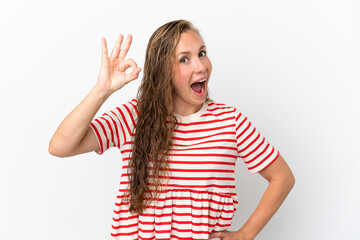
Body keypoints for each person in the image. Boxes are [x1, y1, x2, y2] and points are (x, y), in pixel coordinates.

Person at [49, 19, 295, 240]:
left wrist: (245, 234)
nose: (201, 67)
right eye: (184, 59)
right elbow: (60, 146)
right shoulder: (134, 116)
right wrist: (101, 90)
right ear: (162, 70)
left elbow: (282, 177)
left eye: (202, 53)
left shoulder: (230, 122)